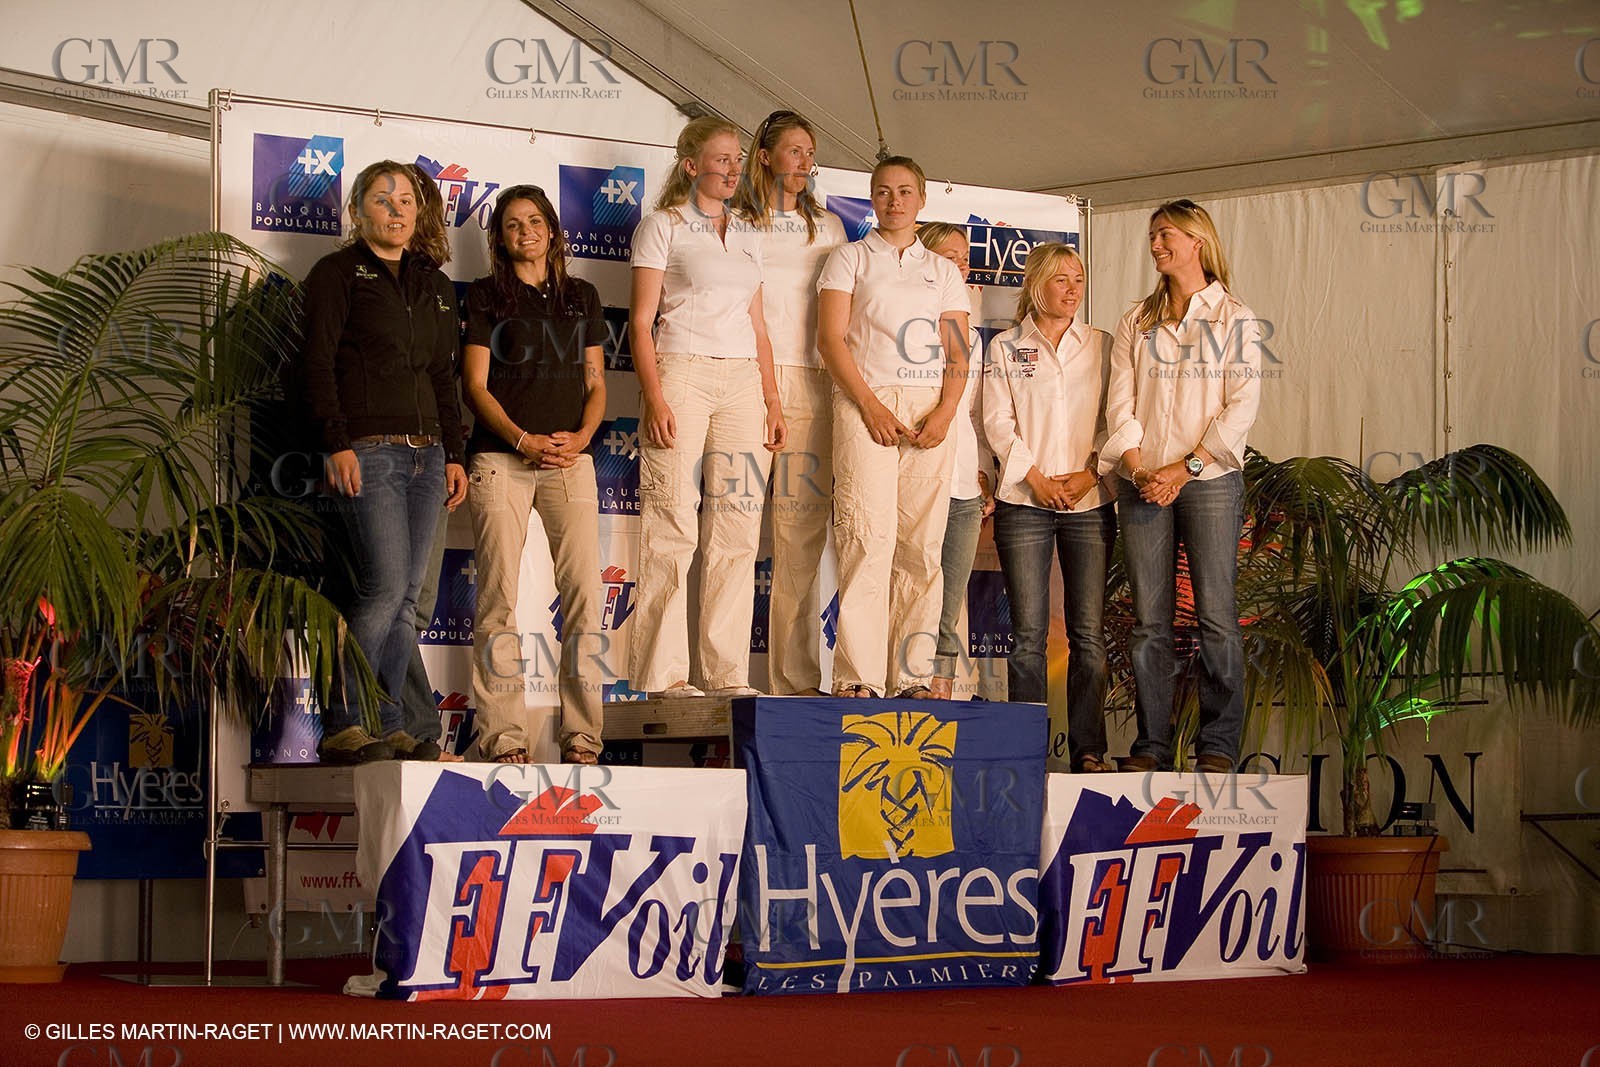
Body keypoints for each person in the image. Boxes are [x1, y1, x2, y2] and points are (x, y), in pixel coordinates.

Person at [301, 160, 468, 763]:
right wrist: (337, 442)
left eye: (406, 201)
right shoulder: (336, 274)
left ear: (418, 213)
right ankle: (344, 722)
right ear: (357, 211)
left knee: (407, 602)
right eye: (381, 199)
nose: (396, 210)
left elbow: (443, 377)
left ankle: (391, 721)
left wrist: (454, 455)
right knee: (384, 587)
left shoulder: (435, 285)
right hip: (370, 451)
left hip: (430, 457)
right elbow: (317, 364)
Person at [1100, 199, 1263, 773]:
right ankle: (1152, 745)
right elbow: (1120, 402)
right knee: (1149, 621)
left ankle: (1217, 745)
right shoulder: (1136, 319)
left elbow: (1242, 404)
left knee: (1216, 615)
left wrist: (1185, 467)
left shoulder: (1235, 317)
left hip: (1208, 479)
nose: (1156, 244)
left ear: (1198, 240)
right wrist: (1139, 466)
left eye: (1166, 234)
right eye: (1152, 235)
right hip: (1143, 481)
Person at [628, 118, 786, 699]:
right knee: (672, 522)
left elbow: (758, 325)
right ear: (691, 166)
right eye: (721, 159)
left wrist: (772, 399)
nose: (733, 168)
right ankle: (665, 674)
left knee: (738, 527)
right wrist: (655, 396)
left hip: (743, 381)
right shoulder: (662, 226)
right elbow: (640, 322)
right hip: (682, 371)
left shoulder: (748, 232)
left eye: (738, 158)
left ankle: (726, 675)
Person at [462, 185, 607, 765]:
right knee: (498, 600)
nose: (526, 231)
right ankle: (504, 737)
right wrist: (521, 439)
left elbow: (596, 382)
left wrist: (584, 437)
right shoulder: (485, 295)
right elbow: (475, 386)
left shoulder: (582, 296)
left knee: (586, 598)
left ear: (552, 230)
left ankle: (583, 737)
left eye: (535, 221)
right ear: (500, 238)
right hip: (502, 460)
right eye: (513, 224)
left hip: (570, 460)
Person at [817, 156, 970, 698]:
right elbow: (830, 340)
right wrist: (869, 405)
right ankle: (858, 677)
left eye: (905, 191)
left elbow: (958, 352)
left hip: (929, 408)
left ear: (922, 199)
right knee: (866, 539)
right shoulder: (849, 258)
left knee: (922, 550)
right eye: (883, 191)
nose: (894, 201)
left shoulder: (943, 271)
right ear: (872, 198)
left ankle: (912, 676)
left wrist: (946, 411)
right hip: (866, 402)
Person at [984, 243, 1117, 772]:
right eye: (1061, 279)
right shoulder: (1006, 346)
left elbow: (1117, 418)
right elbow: (997, 422)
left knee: (1088, 634)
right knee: (1028, 636)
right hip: (1024, 499)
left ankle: (1089, 749)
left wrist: (1091, 473)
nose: (1072, 288)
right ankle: (1026, 751)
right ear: (1036, 284)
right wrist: (1035, 478)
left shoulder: (1103, 344)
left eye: (1078, 279)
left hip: (1090, 499)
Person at [731, 109, 847, 696]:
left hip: (812, 382)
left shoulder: (828, 228)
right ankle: (721, 675)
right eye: (795, 150)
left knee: (801, 536)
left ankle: (795, 681)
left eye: (811, 152)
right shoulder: (733, 223)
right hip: (743, 380)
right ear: (765, 156)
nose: (805, 162)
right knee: (733, 529)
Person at [915, 222, 994, 701]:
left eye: (965, 258)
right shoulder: (905, 327)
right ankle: (904, 679)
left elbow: (974, 414)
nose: (961, 266)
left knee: (949, 597)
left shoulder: (970, 334)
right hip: (918, 473)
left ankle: (940, 687)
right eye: (950, 257)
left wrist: (984, 474)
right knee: (912, 584)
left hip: (963, 481)